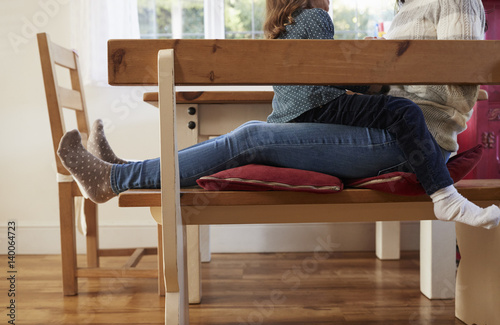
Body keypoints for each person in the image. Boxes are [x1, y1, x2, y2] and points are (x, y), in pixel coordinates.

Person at [56, 0, 500, 229]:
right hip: (388, 131)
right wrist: (372, 79)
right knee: (233, 139)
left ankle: (114, 180)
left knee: (252, 135)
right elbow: (399, 85)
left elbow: (461, 75)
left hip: (411, 145)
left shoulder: (455, 1)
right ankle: (123, 171)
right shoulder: (403, 10)